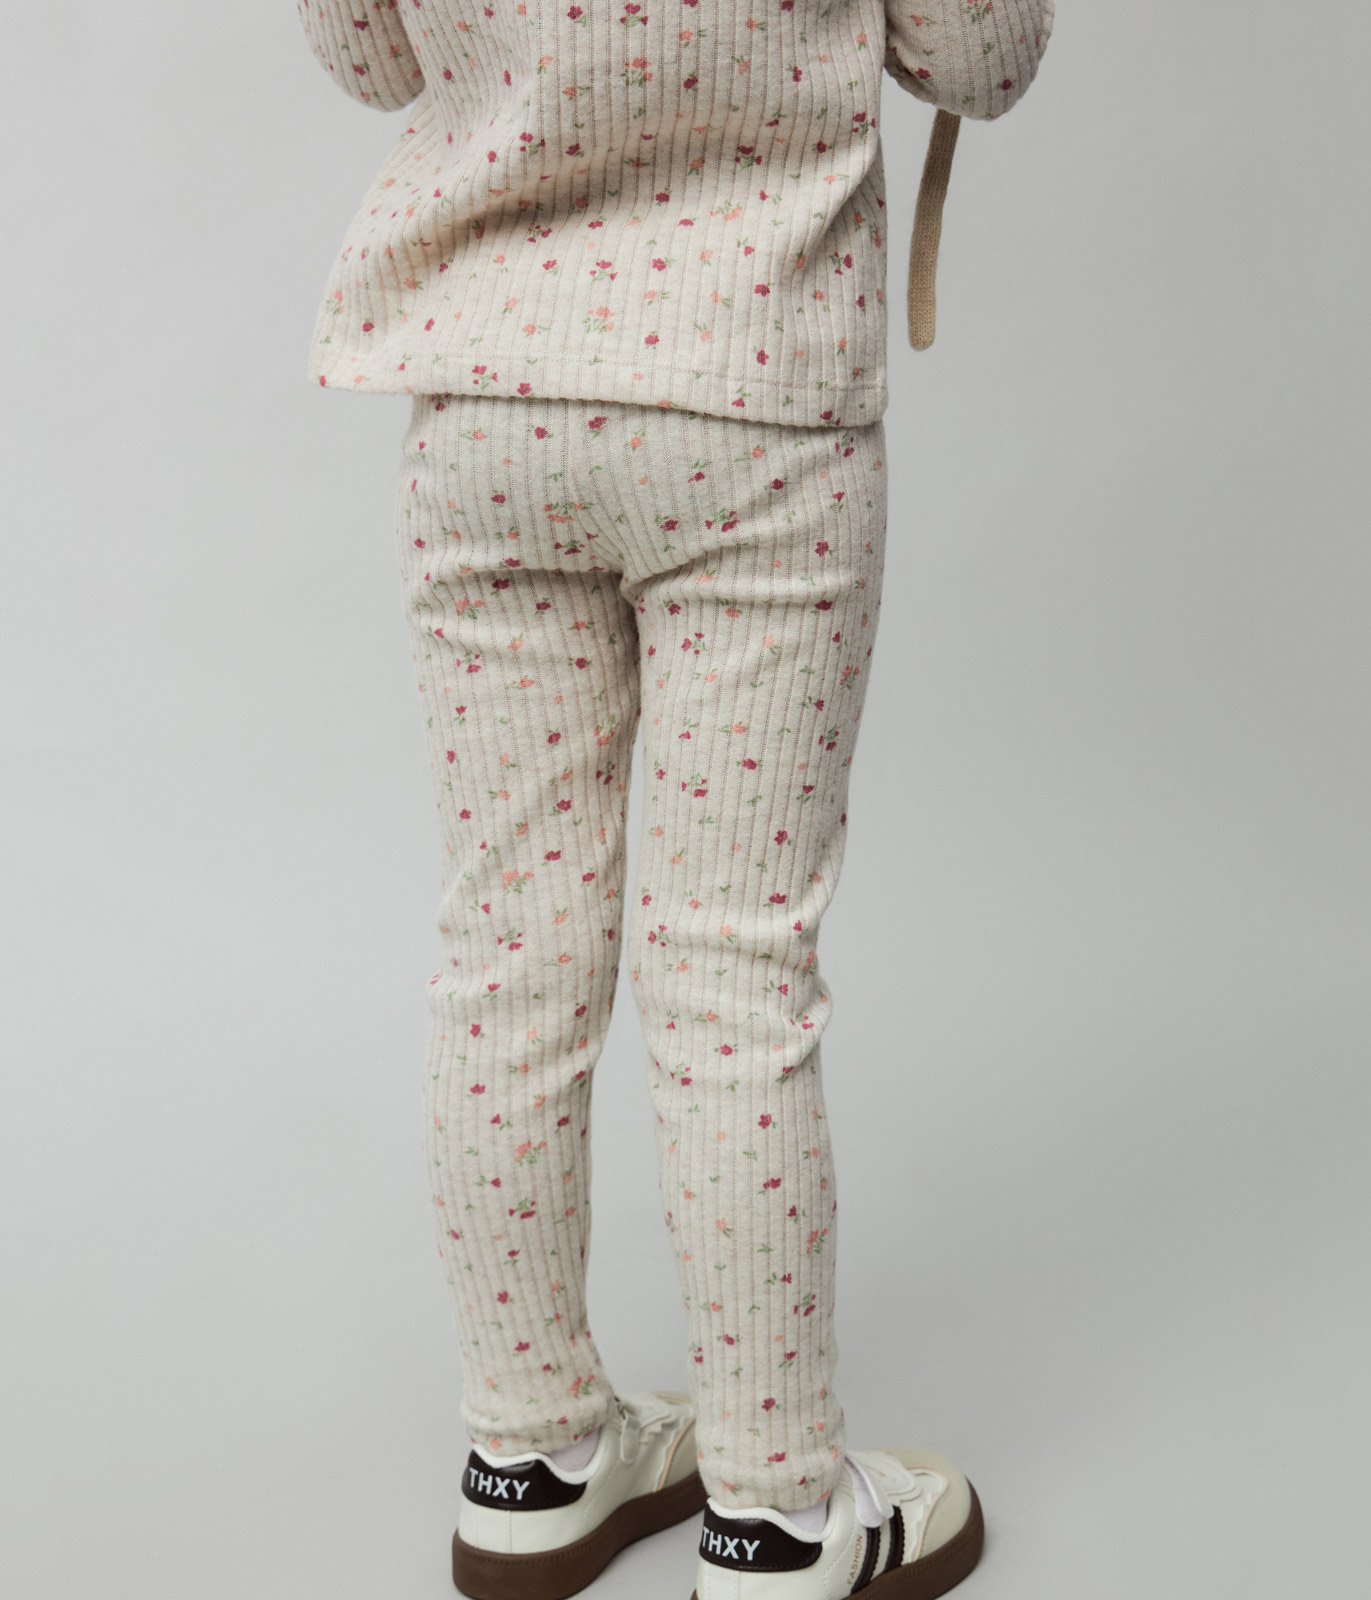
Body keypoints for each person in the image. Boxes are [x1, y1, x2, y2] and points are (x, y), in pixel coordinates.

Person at [294, 3, 1055, 1596]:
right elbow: (981, 60)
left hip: (488, 404)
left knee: (509, 959)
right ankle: (776, 1508)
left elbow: (371, 58)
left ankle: (529, 1453)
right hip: (751, 396)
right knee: (730, 974)